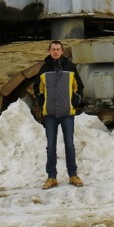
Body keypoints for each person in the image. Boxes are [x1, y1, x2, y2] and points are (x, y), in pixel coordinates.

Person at [34, 40, 85, 189]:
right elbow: (37, 88)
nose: (55, 52)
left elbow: (79, 87)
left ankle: (73, 175)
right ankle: (51, 177)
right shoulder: (44, 69)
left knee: (69, 145)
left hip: (67, 113)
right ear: (50, 51)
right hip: (50, 114)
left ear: (62, 52)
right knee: (51, 146)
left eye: (58, 49)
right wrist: (43, 101)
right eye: (53, 49)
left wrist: (76, 100)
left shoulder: (70, 67)